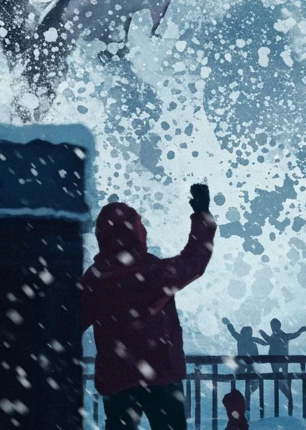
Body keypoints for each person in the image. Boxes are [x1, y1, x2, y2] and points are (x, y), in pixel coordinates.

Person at [81, 183, 216, 430]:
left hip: (116, 377)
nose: (145, 229)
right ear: (135, 232)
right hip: (162, 375)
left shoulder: (95, 279)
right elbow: (196, 259)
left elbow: (70, 321)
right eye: (140, 225)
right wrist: (202, 213)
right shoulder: (154, 272)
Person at [258, 318, 306, 402]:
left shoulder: (280, 336)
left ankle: (288, 395)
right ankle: (288, 396)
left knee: (280, 378)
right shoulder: (281, 336)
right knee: (280, 378)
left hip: (278, 359)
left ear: (278, 326)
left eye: (273, 326)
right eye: (272, 326)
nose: (273, 328)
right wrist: (300, 331)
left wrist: (262, 333)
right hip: (280, 359)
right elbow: (293, 335)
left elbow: (269, 340)